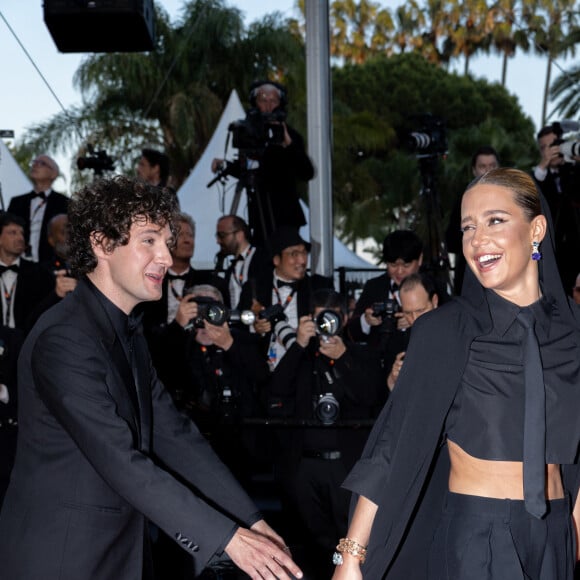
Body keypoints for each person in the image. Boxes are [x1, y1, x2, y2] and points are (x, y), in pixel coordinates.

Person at [0, 176, 302, 580]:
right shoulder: (64, 338)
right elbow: (120, 459)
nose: (165, 255)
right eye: (149, 240)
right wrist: (229, 539)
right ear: (101, 244)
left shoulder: (127, 332)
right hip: (64, 557)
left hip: (120, 552)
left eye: (167, 240)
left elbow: (174, 435)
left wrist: (250, 520)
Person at [332, 168, 580, 580]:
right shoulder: (444, 331)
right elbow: (392, 444)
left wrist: (571, 536)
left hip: (557, 538)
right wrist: (351, 556)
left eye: (494, 221)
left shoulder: (574, 333)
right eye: (467, 227)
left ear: (536, 229)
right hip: (477, 537)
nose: (477, 240)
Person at [267, 289, 384, 578]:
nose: (326, 325)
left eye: (331, 317)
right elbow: (276, 392)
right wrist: (299, 344)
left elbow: (371, 398)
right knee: (309, 546)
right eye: (319, 318)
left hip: (346, 468)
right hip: (305, 467)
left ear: (344, 318)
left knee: (352, 541)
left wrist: (344, 358)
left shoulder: (360, 353)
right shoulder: (303, 355)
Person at [211, 81, 314, 245]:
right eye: (263, 100)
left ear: (281, 104)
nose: (268, 105)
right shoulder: (251, 133)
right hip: (259, 215)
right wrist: (227, 166)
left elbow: (306, 172)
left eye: (273, 101)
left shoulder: (290, 135)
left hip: (285, 216)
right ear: (255, 103)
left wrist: (289, 145)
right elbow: (251, 168)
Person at [445, 146, 500, 295]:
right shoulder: (463, 201)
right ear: (474, 171)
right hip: (471, 280)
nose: (488, 171)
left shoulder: (511, 200)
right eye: (483, 166)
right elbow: (451, 241)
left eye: (492, 166)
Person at [533, 124, 580, 293]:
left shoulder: (573, 171)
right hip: (553, 256)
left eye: (554, 144)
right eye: (544, 147)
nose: (551, 150)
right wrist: (544, 164)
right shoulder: (539, 177)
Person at [7, 154, 70, 263]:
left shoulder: (64, 203)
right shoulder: (16, 202)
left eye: (42, 163)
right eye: (34, 162)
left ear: (53, 174)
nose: (35, 165)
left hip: (51, 267)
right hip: (18, 264)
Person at [386, 272, 439, 390]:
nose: (415, 319)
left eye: (420, 310)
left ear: (434, 301)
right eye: (408, 313)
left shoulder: (456, 334)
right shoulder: (400, 340)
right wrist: (393, 380)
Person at [214, 214, 271, 309]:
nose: (218, 241)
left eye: (222, 235)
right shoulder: (230, 270)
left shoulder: (263, 258)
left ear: (240, 235)